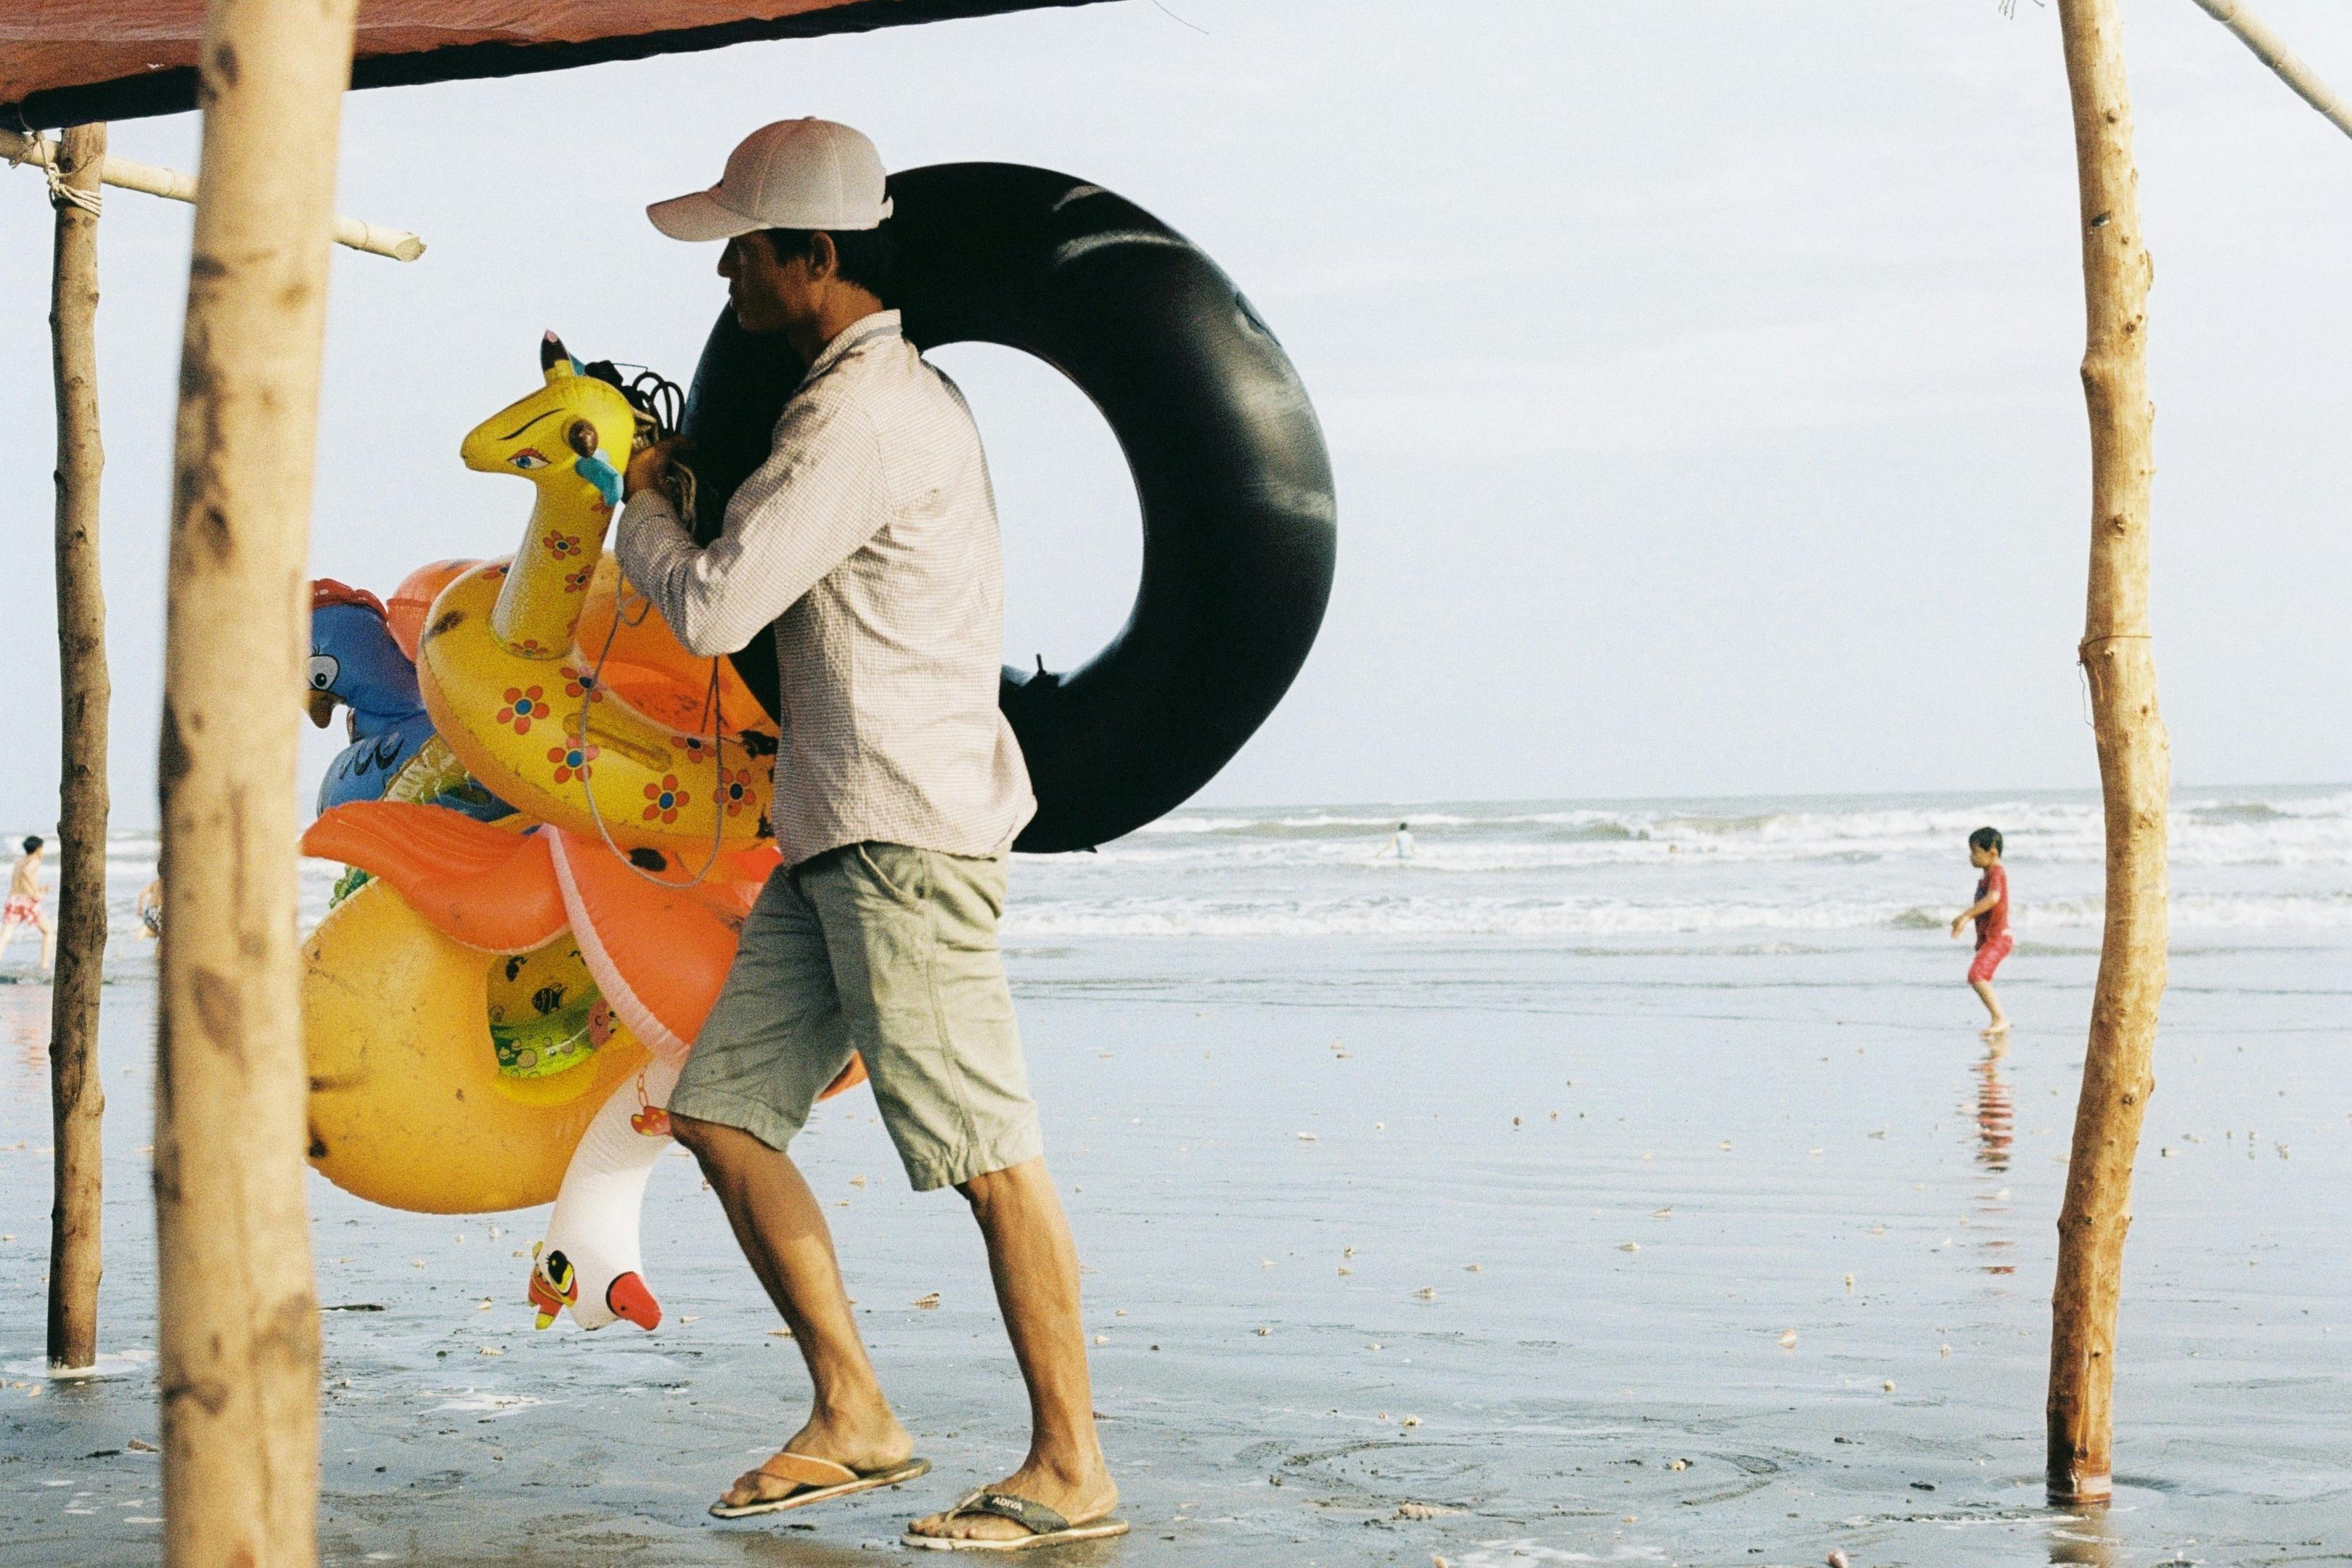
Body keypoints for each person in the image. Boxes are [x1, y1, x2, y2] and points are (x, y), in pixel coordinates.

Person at [616, 118, 1122, 1551]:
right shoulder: (859, 409)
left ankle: (1072, 1466)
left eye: (741, 248)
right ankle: (857, 1413)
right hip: (835, 830)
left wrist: (639, 513)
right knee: (720, 1115)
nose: (724, 274)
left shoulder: (861, 418)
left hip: (903, 835)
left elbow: (713, 609)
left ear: (811, 258)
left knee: (988, 1151)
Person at [1950, 825, 2011, 1039]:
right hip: (1991, 939)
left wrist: (1966, 916)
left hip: (2000, 938)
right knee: (1979, 976)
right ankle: (1998, 1019)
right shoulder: (1987, 875)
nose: (1971, 856)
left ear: (1992, 852)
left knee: (1977, 975)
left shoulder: (1996, 873)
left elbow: (1993, 899)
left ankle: (2000, 1018)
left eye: (1975, 852)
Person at [0, 836, 54, 974]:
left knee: (5, 936)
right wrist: (36, 893)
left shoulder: (19, 862)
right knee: (48, 932)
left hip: (13, 900)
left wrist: (39, 889)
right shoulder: (35, 861)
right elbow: (27, 873)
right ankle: (44, 966)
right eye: (42, 849)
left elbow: (20, 881)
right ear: (38, 849)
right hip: (26, 901)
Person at [137, 877, 163, 941]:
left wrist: (140, 910)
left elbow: (142, 895)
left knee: (153, 929)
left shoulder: (154, 884)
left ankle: (145, 930)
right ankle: (147, 931)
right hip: (161, 910)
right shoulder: (169, 884)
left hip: (150, 911)